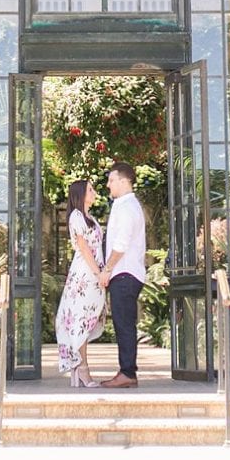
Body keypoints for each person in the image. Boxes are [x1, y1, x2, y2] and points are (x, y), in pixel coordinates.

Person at [97, 160, 147, 388]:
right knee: (122, 323)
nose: (108, 184)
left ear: (125, 181)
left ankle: (128, 372)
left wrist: (107, 269)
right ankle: (126, 371)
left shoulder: (127, 207)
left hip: (125, 274)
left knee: (124, 324)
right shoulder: (123, 205)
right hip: (123, 274)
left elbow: (121, 244)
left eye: (112, 179)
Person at [53, 179, 108, 387]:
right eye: (90, 189)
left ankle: (80, 367)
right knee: (82, 320)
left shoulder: (89, 217)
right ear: (81, 194)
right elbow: (84, 249)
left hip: (93, 274)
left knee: (86, 320)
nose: (94, 192)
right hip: (85, 275)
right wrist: (98, 273)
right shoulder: (77, 217)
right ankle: (82, 368)